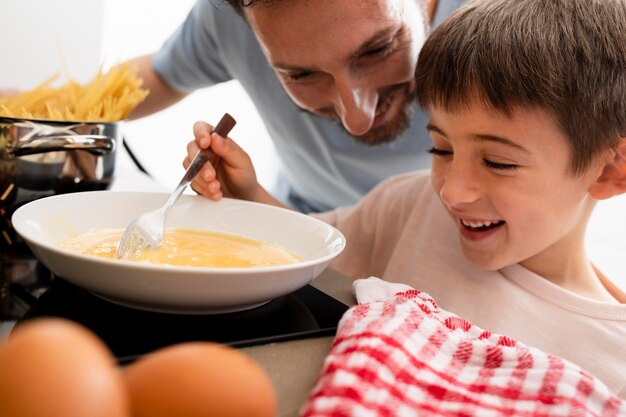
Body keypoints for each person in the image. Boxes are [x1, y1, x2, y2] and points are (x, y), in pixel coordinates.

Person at [184, 0, 626, 396]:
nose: (452, 192)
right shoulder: (408, 206)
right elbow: (308, 247)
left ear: (610, 170)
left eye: (497, 162)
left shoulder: (613, 358)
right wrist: (248, 192)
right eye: (442, 150)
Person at [127, 0, 466, 213]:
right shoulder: (229, 18)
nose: (357, 119)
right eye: (301, 75)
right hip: (302, 233)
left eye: (378, 49)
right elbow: (157, 77)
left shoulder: (507, 28)